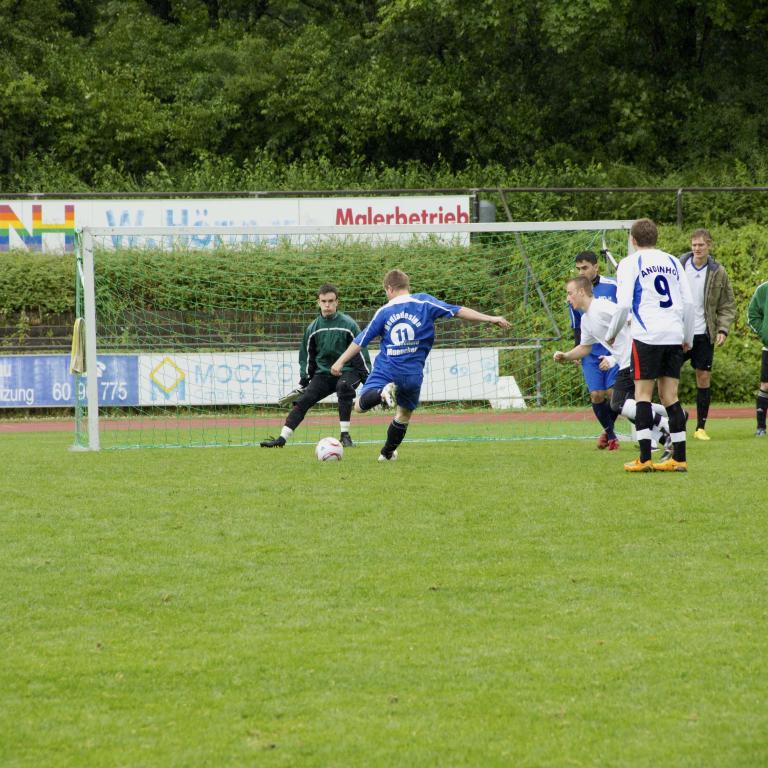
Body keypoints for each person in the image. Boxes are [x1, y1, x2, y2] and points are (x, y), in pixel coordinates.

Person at [330, 269, 511, 461]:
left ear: (389, 288)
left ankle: (382, 394)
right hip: (412, 373)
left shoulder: (384, 311)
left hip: (387, 368)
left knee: (359, 406)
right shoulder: (424, 302)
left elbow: (361, 340)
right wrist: (491, 318)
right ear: (407, 286)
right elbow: (458, 310)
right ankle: (386, 453)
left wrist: (340, 361)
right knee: (404, 414)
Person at [606, 218, 694, 472]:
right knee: (670, 397)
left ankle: (645, 458)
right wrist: (687, 336)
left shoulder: (630, 262)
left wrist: (612, 333)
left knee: (642, 396)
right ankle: (680, 458)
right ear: (656, 238)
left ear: (633, 241)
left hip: (647, 335)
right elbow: (688, 303)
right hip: (674, 334)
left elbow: (623, 305)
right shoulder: (673, 261)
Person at [554, 276, 672, 459]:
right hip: (626, 360)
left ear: (581, 291)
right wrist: (566, 356)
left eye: (569, 293)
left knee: (620, 403)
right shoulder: (586, 320)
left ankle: (666, 425)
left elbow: (628, 316)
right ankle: (671, 422)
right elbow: (585, 347)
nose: (567, 299)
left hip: (635, 356)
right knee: (623, 404)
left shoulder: (601, 307)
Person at [260, 283, 370, 448]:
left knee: (345, 386)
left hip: (348, 371)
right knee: (303, 401)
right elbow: (307, 359)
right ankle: (281, 439)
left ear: (337, 302)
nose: (327, 305)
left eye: (331, 301)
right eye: (324, 301)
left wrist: (368, 382)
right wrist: (304, 382)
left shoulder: (349, 325)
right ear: (318, 302)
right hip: (323, 375)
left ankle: (345, 437)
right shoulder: (312, 328)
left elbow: (360, 354)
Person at [679, 228, 736, 440]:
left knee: (703, 377)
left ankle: (700, 427)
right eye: (694, 245)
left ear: (709, 245)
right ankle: (674, 418)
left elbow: (727, 304)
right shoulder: (679, 265)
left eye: (701, 245)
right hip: (678, 333)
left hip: (703, 333)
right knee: (667, 377)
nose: (696, 249)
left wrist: (722, 328)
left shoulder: (718, 271)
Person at [569, 251, 620, 450]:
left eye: (585, 268)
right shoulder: (574, 292)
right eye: (578, 269)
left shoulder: (613, 286)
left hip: (612, 348)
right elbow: (577, 325)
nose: (581, 272)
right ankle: (611, 434)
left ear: (596, 267)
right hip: (589, 349)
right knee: (597, 395)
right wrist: (576, 350)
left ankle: (609, 433)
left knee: (614, 393)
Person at [746, 279, 768, 436]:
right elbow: (752, 314)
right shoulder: (763, 289)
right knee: (766, 385)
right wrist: (765, 333)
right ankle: (761, 427)